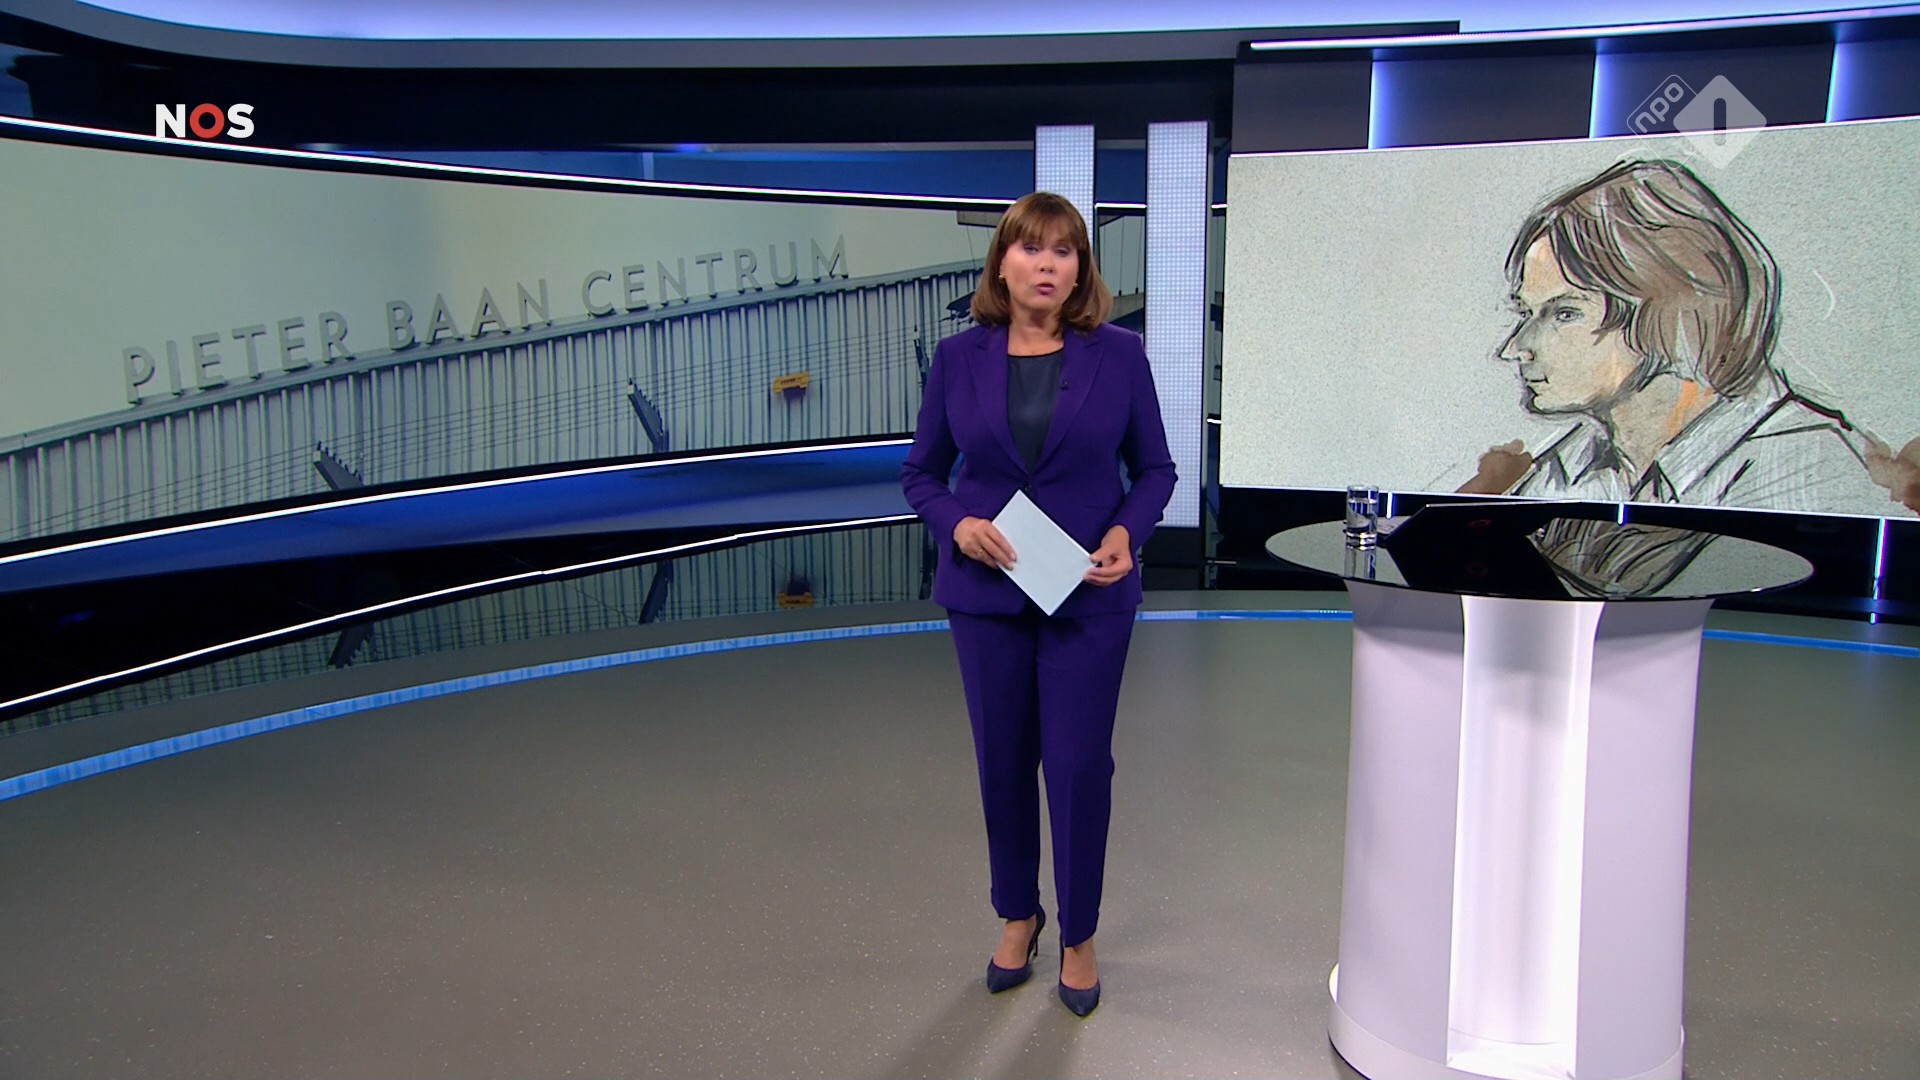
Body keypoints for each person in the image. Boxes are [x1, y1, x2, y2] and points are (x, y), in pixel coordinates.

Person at [899, 191, 1176, 1018]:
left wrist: (1127, 532)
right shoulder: (958, 358)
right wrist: (959, 524)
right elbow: (921, 474)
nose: (1046, 264)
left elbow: (1155, 470)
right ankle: (1017, 914)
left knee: (1080, 767)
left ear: (1081, 267)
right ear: (1003, 263)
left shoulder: (1119, 355)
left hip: (1087, 596)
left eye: (1063, 250)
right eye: (1030, 248)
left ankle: (1079, 934)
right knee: (1003, 762)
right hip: (987, 597)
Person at [1460, 158, 1909, 516]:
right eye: (1527, 313)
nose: (1515, 348)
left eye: (1564, 313)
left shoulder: (1810, 467)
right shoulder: (1570, 467)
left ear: (1671, 311)